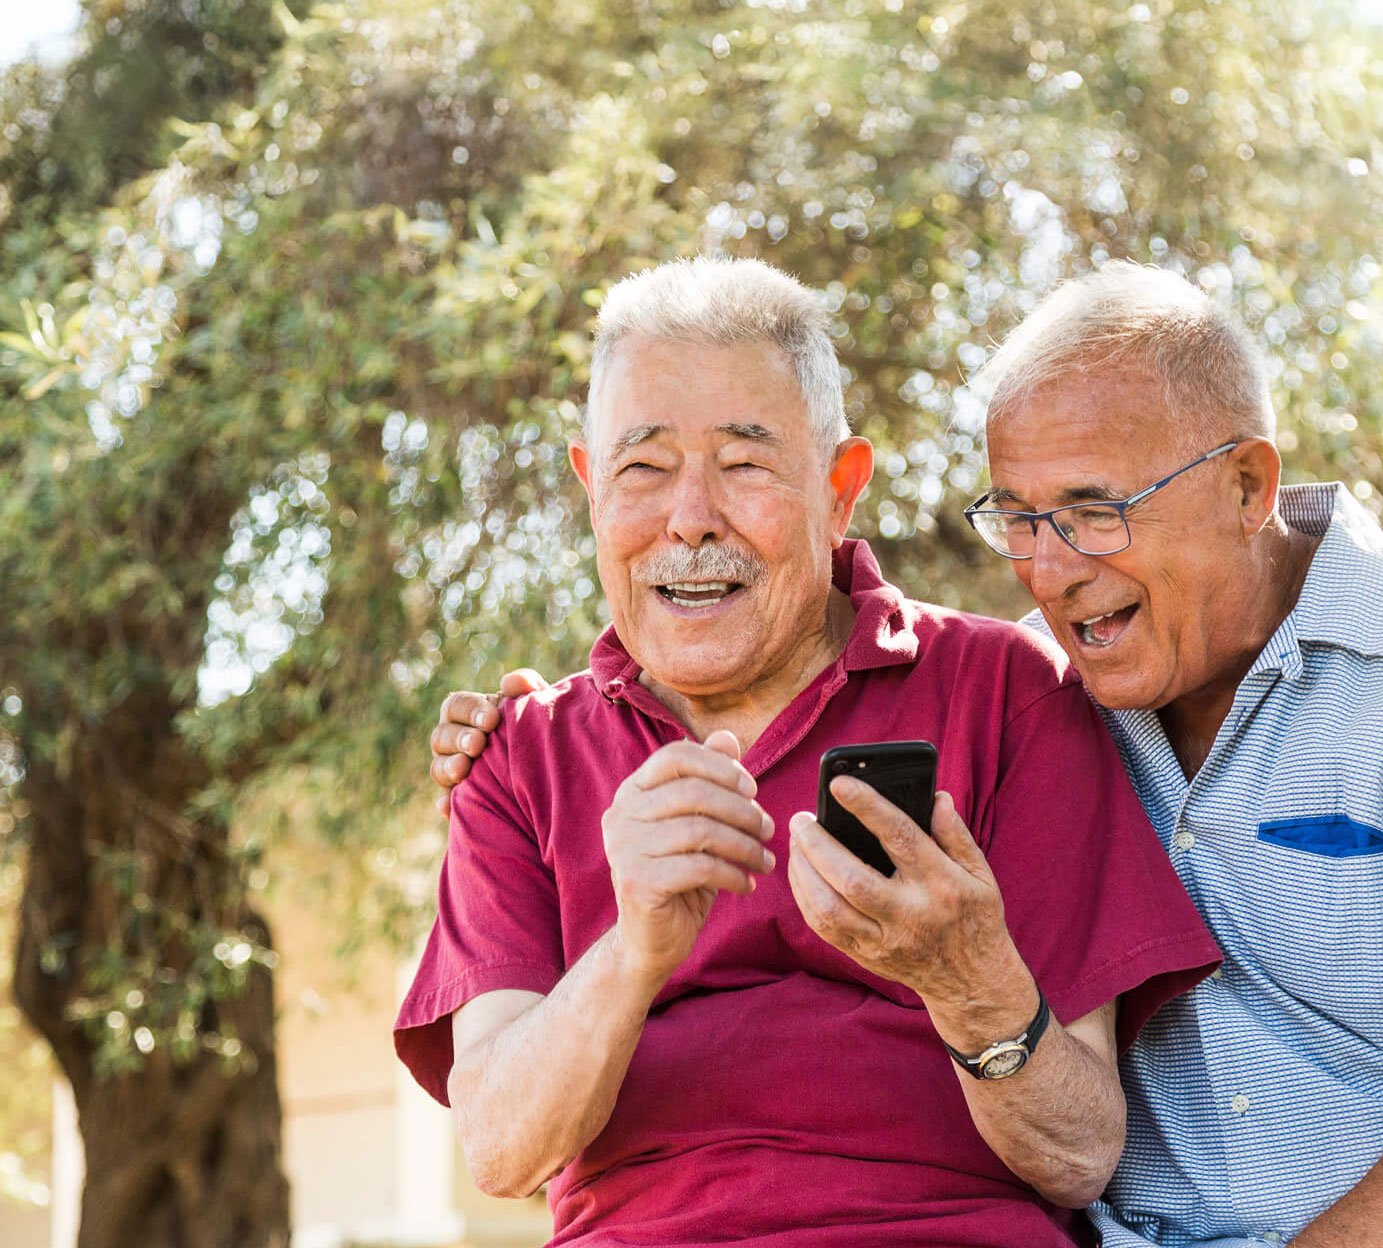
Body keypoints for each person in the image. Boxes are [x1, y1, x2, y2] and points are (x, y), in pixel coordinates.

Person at [434, 263, 1383, 1248]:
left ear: (1250, 483)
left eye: (1095, 511)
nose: (1051, 567)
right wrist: (582, 849)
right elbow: (496, 1147)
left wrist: (969, 974)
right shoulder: (1065, 680)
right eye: (1020, 521)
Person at [396, 256, 1220, 1248]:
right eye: (643, 468)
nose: (690, 517)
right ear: (590, 487)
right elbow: (499, 1153)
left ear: (840, 490)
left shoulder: (1004, 694)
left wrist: (965, 978)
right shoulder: (521, 757)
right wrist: (635, 950)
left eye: (744, 465)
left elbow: (1078, 1154)